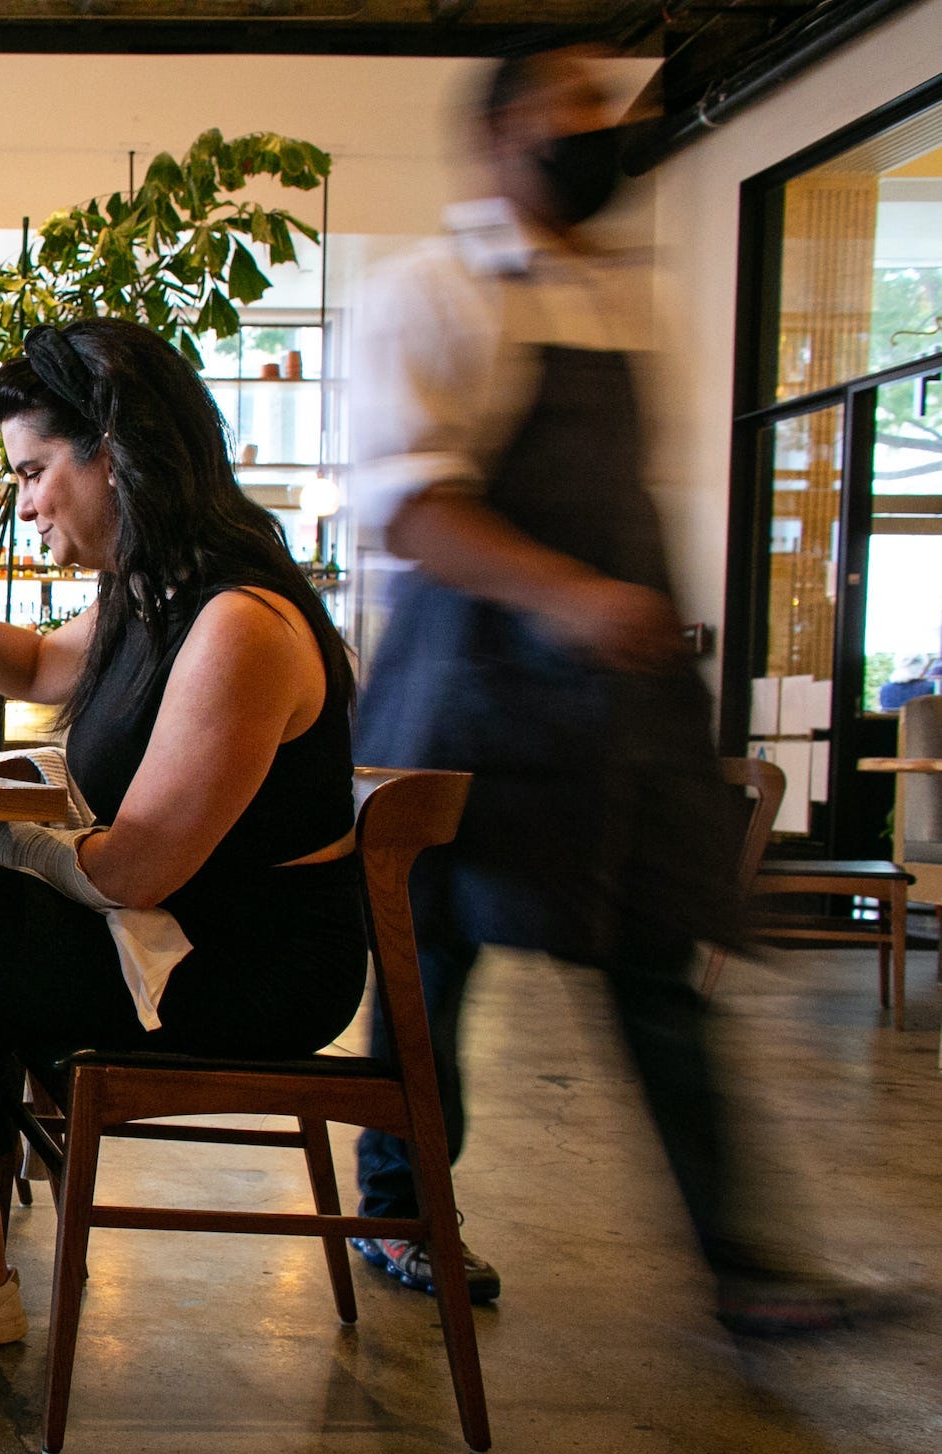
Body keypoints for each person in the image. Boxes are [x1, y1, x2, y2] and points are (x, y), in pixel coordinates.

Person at [349, 48, 865, 1335]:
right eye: (569, 110)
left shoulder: (623, 299)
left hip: (605, 708)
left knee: (653, 974)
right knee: (433, 972)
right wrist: (570, 596)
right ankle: (406, 1220)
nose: (598, 133)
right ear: (500, 136)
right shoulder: (433, 292)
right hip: (466, 695)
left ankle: (747, 1267)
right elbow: (413, 509)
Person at [0, 318, 367, 1355]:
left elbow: (138, 867)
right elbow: (31, 668)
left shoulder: (239, 624)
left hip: (245, 964)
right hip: (174, 931)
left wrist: (8, 828)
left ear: (112, 453)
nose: (24, 503)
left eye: (34, 472)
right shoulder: (148, 595)